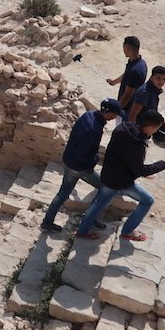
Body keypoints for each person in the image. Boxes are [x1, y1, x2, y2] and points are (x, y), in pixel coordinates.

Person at [75, 110, 165, 241]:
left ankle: (82, 231)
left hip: (108, 175)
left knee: (99, 203)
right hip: (121, 181)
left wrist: (160, 123)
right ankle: (128, 231)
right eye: (156, 129)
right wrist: (163, 164)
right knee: (147, 201)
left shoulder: (124, 128)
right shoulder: (137, 144)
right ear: (150, 127)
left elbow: (128, 159)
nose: (155, 132)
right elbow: (141, 170)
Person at [41, 99, 125, 233]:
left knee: (63, 194)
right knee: (104, 188)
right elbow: (83, 154)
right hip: (80, 167)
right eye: (115, 114)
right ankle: (91, 219)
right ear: (107, 113)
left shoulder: (88, 115)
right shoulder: (95, 128)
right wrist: (95, 159)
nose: (115, 117)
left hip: (69, 161)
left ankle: (47, 222)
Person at [107, 36, 147, 120]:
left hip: (125, 110)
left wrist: (116, 110)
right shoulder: (140, 63)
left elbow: (127, 95)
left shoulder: (134, 71)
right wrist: (114, 82)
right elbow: (126, 76)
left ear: (127, 48)